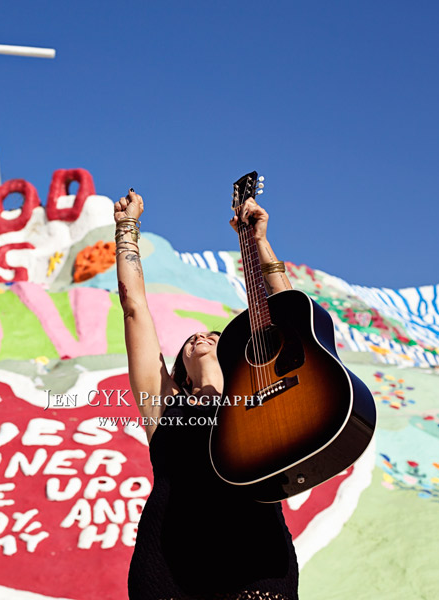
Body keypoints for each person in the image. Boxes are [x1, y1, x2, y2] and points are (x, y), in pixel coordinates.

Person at [115, 188, 299, 600]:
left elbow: (291, 319)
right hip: (169, 560)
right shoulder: (163, 406)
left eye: (213, 335)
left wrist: (259, 242)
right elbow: (134, 307)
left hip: (258, 557)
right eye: (190, 338)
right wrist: (126, 229)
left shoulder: (259, 395)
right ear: (178, 368)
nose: (199, 335)